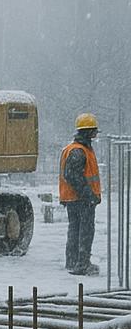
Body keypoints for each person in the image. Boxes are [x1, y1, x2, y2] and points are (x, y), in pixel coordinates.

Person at [60, 113, 101, 275]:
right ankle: (82, 264)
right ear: (88, 132)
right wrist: (89, 195)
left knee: (75, 230)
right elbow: (72, 175)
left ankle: (73, 261)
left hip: (73, 199)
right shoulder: (79, 151)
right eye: (94, 131)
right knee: (85, 231)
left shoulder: (75, 149)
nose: (96, 134)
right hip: (81, 199)